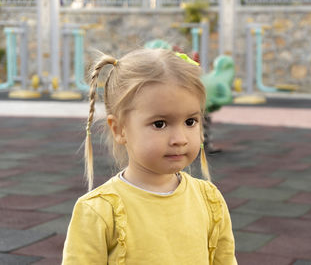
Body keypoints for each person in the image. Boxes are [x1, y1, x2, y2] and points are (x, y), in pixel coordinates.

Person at [62, 48, 237, 265]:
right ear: (119, 130)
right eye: (160, 124)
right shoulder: (100, 211)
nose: (180, 139)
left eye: (190, 121)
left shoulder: (210, 200)